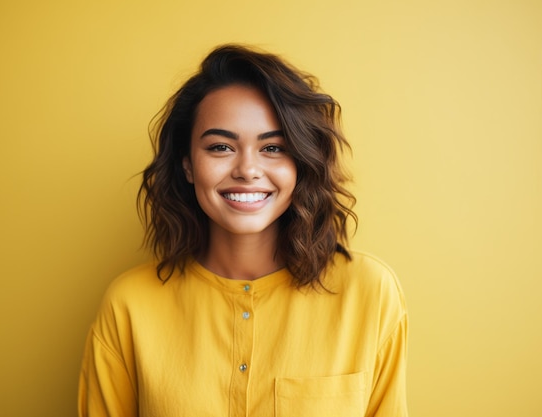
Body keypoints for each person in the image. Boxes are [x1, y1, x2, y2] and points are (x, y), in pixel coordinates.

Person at [78, 44, 408, 417]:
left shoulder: (368, 292)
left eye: (273, 148)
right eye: (221, 147)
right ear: (188, 166)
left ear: (300, 162)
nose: (247, 170)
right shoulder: (129, 304)